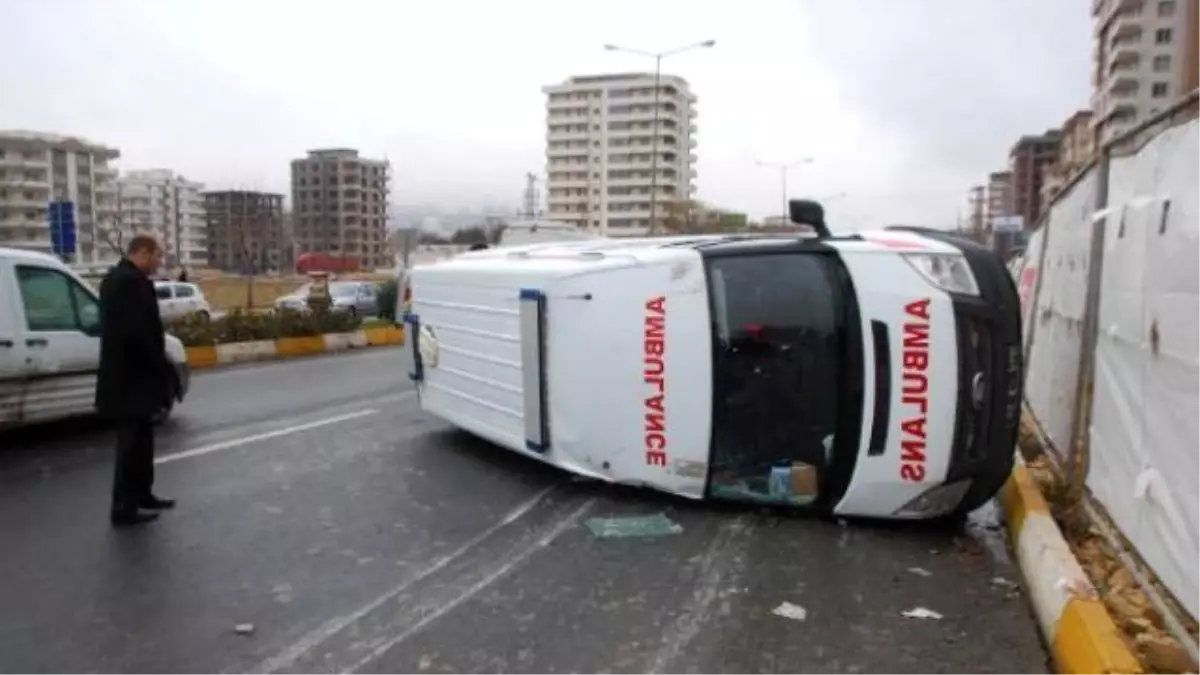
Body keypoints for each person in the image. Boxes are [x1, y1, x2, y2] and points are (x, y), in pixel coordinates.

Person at [95, 235, 177, 527]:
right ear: (142, 252)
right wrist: (158, 364)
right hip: (130, 377)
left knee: (143, 440)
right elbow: (135, 333)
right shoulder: (125, 282)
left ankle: (143, 494)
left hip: (136, 377)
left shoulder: (127, 279)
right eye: (157, 256)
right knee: (130, 445)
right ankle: (124, 507)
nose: (159, 262)